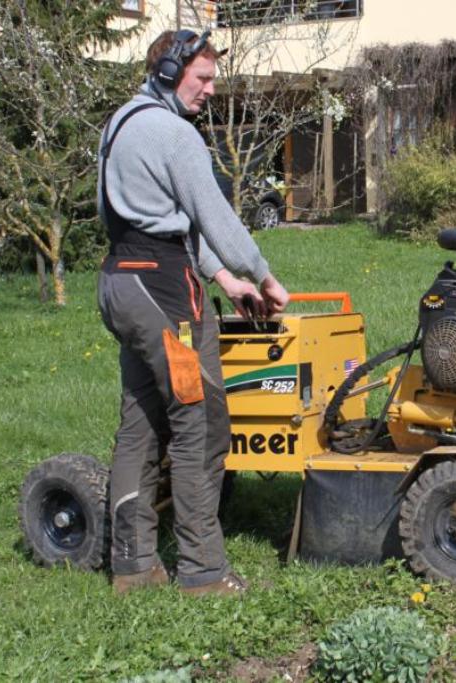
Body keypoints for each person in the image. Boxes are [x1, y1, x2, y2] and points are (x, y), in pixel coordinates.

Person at [97, 29, 289, 597]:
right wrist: (262, 274)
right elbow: (216, 219)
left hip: (123, 288)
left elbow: (164, 219)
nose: (209, 90)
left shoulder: (122, 124)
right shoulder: (176, 134)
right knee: (198, 422)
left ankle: (131, 568)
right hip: (165, 299)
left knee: (140, 425)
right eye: (201, 78)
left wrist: (224, 279)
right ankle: (203, 571)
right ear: (168, 72)